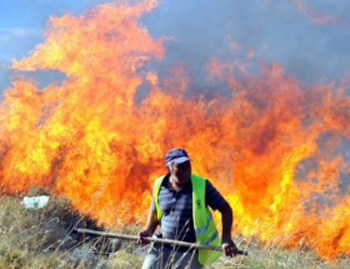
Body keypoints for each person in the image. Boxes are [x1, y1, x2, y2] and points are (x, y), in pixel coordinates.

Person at [137, 148, 238, 269]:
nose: (186, 170)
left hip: (189, 252)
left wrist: (226, 238)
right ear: (169, 169)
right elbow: (154, 210)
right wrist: (148, 231)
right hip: (161, 247)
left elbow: (226, 210)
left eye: (188, 165)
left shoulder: (202, 185)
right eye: (180, 166)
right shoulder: (159, 184)